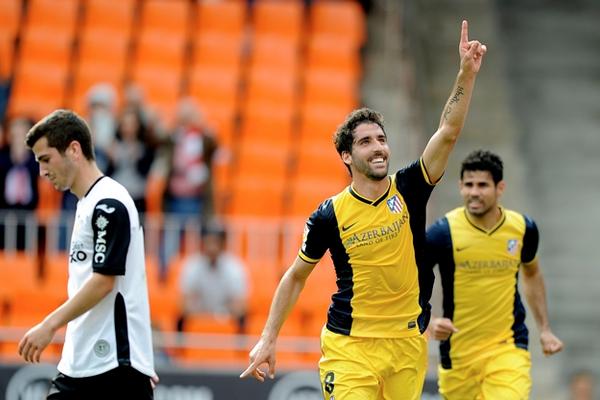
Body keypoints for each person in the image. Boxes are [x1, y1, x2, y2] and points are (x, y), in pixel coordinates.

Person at [241, 20, 487, 400]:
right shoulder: (329, 215)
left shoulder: (410, 187)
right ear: (346, 155)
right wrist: (267, 337)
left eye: (382, 140)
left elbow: (447, 131)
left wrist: (465, 75)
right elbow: (295, 277)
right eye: (366, 141)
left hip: (406, 342)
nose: (378, 148)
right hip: (350, 347)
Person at [18, 110, 156, 399]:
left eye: (46, 160)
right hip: (87, 363)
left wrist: (49, 325)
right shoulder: (88, 203)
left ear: (74, 149)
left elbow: (104, 281)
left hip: (112, 365)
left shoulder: (108, 203)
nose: (42, 172)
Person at [425, 149, 564, 399]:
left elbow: (532, 274)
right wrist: (430, 321)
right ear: (460, 186)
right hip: (459, 355)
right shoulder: (443, 232)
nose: (474, 192)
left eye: (482, 185)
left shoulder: (523, 229)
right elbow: (411, 280)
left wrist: (544, 328)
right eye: (468, 184)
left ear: (500, 188)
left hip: (507, 348)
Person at [176, 221, 248, 334]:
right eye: (208, 242)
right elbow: (184, 303)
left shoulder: (235, 267)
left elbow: (240, 306)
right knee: (179, 320)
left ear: (223, 244)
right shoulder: (192, 265)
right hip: (198, 319)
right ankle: (181, 350)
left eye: (215, 242)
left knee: (244, 321)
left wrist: (220, 315)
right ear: (202, 243)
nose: (212, 247)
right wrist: (203, 317)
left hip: (227, 319)